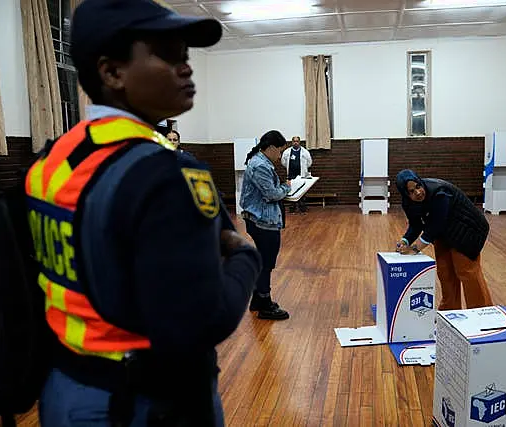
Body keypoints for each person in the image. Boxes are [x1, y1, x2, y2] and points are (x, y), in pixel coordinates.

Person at [25, 0, 262, 425]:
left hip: (65, 390)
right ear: (112, 72)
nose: (186, 67)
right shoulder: (168, 175)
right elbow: (202, 321)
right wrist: (247, 256)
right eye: (167, 54)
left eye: (185, 55)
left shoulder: (50, 162)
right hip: (145, 403)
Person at [395, 169, 493, 310]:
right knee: (445, 272)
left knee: (466, 271)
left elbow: (435, 225)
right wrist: (405, 241)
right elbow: (416, 224)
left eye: (418, 186)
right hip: (444, 232)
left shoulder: (440, 193)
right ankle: (449, 312)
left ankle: (482, 312)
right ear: (405, 194)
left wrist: (415, 249)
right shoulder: (408, 203)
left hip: (467, 229)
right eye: (411, 191)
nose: (417, 192)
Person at [240, 131, 292, 320]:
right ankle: (265, 303)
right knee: (266, 263)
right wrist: (287, 187)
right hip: (262, 221)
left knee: (264, 261)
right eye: (279, 151)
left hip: (262, 218)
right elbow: (271, 194)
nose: (280, 156)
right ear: (270, 148)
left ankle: (257, 299)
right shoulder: (260, 165)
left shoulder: (260, 161)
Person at [281, 136, 312, 213]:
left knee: (302, 191)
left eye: (297, 141)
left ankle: (302, 208)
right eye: (294, 141)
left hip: (301, 175)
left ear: (299, 142)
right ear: (292, 142)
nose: (295, 142)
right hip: (291, 175)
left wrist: (304, 169)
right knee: (291, 191)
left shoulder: (305, 152)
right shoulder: (287, 152)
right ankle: (292, 209)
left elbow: (309, 162)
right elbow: (283, 162)